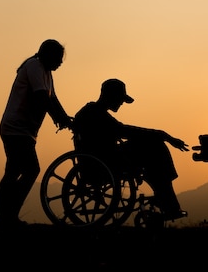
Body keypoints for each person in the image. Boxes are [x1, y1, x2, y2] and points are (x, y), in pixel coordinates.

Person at [73, 78, 189, 220]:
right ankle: (166, 199)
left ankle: (164, 196)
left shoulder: (95, 112)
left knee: (154, 147)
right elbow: (123, 130)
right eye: (120, 99)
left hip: (108, 158)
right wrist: (163, 135)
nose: (121, 103)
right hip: (104, 163)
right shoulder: (94, 113)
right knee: (156, 147)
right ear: (111, 96)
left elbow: (121, 130)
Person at [0, 39, 73, 228]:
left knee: (13, 172)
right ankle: (8, 216)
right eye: (58, 58)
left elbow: (53, 98)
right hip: (16, 128)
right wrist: (60, 118)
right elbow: (42, 98)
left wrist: (65, 119)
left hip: (24, 129)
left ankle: (3, 218)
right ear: (48, 55)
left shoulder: (45, 72)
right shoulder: (35, 67)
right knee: (30, 170)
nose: (60, 63)